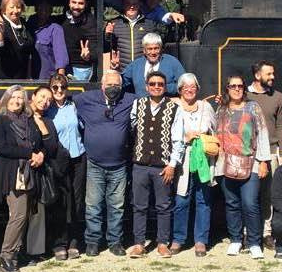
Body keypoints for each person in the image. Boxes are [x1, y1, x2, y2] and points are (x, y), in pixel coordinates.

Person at [73, 70, 135, 257]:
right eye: (109, 85)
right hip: (95, 164)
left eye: (116, 85)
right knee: (93, 206)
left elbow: (154, 99)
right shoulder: (86, 99)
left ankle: (115, 242)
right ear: (102, 86)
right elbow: (64, 100)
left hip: (119, 165)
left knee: (117, 207)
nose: (113, 88)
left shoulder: (130, 100)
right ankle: (92, 242)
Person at [127, 71, 185, 258]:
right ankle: (139, 244)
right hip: (140, 164)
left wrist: (172, 164)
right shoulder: (138, 104)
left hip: (163, 166)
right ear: (147, 86)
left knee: (163, 206)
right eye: (152, 84)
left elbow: (178, 140)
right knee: (139, 206)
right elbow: (131, 128)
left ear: (165, 86)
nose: (156, 87)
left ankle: (162, 243)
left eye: (160, 84)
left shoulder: (174, 108)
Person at [215, 74, 271, 259]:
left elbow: (262, 133)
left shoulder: (253, 107)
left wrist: (264, 161)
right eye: (233, 86)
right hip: (225, 163)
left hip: (251, 162)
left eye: (240, 86)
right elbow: (214, 132)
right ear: (227, 89)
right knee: (232, 204)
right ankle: (236, 240)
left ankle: (254, 242)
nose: (237, 89)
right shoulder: (221, 109)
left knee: (250, 203)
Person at [0, 85, 45, 272]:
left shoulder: (29, 120)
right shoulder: (0, 121)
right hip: (13, 174)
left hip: (30, 172)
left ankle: (15, 254)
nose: (16, 101)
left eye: (20, 98)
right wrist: (30, 153)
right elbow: (2, 147)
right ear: (6, 99)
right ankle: (5, 257)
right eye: (13, 97)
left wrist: (40, 154)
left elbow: (38, 142)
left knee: (25, 215)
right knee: (18, 216)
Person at [170, 73, 217, 257]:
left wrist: (205, 138)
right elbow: (166, 134)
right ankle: (178, 239)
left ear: (197, 89)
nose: (189, 90)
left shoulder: (206, 107)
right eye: (185, 87)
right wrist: (185, 137)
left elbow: (215, 129)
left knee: (203, 200)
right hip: (183, 159)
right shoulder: (173, 106)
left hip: (203, 159)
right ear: (180, 90)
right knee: (181, 200)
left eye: (193, 86)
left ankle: (200, 241)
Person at [246, 60, 282, 250]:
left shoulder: (278, 96)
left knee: (268, 195)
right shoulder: (244, 95)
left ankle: (266, 233)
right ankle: (248, 233)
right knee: (248, 195)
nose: (273, 77)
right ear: (257, 75)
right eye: (268, 74)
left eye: (273, 73)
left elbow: (281, 125)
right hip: (247, 153)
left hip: (271, 151)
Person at [45, 74, 87, 259]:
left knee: (77, 201)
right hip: (58, 160)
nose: (59, 91)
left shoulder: (74, 107)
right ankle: (59, 242)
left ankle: (75, 240)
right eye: (55, 87)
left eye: (62, 87)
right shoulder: (48, 110)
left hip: (78, 157)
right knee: (60, 201)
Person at [28, 86, 70, 262]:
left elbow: (52, 145)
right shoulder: (23, 118)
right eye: (42, 97)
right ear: (33, 96)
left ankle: (56, 243)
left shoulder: (48, 121)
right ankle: (32, 249)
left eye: (49, 100)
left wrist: (42, 154)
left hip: (46, 168)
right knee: (31, 212)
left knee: (53, 207)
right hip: (27, 167)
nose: (45, 101)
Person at [121, 32, 185, 97]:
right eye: (150, 49)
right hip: (141, 104)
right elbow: (121, 83)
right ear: (144, 50)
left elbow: (184, 85)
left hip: (165, 104)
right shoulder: (135, 65)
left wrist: (165, 87)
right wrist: (116, 69)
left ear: (161, 48)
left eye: (156, 48)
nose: (153, 52)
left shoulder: (172, 62)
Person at [106, 0, 158, 71]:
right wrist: (107, 35)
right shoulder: (114, 23)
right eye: (128, 4)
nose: (132, 7)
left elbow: (156, 47)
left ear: (139, 5)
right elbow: (106, 48)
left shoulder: (149, 24)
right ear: (123, 5)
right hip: (122, 70)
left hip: (142, 70)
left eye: (135, 4)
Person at [0, 0, 35, 79]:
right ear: (4, 9)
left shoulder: (24, 24)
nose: (15, 10)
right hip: (6, 78)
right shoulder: (1, 24)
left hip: (23, 77)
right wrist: (0, 30)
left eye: (18, 7)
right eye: (12, 7)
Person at [61, 0, 100, 82]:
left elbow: (95, 49)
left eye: (80, 3)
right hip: (65, 66)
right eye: (74, 2)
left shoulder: (89, 22)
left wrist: (88, 55)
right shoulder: (64, 19)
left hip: (80, 68)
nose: (76, 6)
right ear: (69, 3)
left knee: (76, 95)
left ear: (85, 5)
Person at [27, 0, 69, 80]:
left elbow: (61, 56)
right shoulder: (29, 27)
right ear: (36, 9)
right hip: (29, 78)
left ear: (51, 10)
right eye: (41, 7)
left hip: (47, 78)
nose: (44, 11)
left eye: (47, 8)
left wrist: (60, 80)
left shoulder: (56, 29)